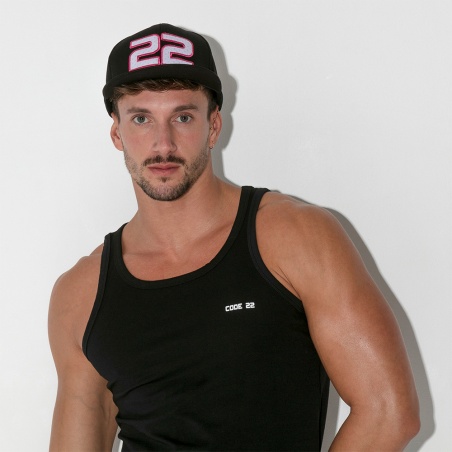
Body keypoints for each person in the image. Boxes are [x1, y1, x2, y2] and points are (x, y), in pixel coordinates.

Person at [48, 23, 420, 451]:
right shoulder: (81, 293)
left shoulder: (293, 238)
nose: (163, 143)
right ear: (117, 132)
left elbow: (388, 412)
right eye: (141, 118)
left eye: (183, 117)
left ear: (213, 126)